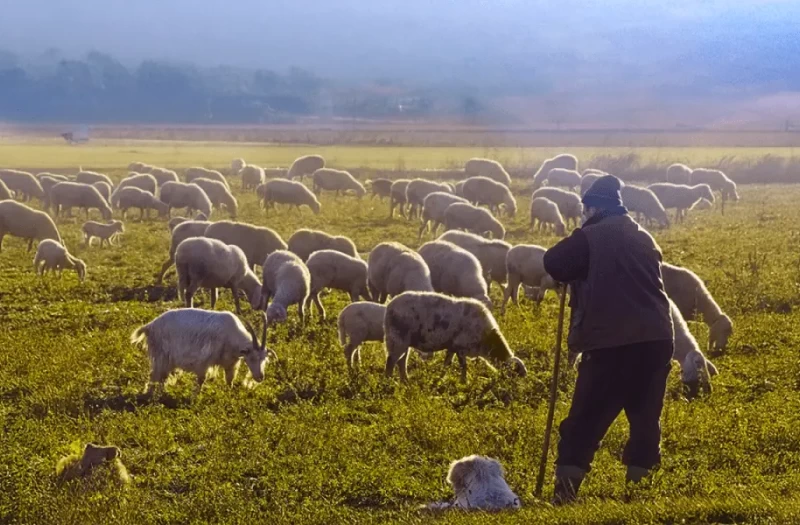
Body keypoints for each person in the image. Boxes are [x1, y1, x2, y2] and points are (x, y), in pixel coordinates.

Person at [542, 175, 674, 505]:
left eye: (585, 209)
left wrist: (581, 234)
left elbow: (554, 262)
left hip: (612, 341)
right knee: (645, 421)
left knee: (584, 420)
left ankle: (564, 495)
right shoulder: (642, 235)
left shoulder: (592, 236)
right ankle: (638, 496)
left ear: (593, 209)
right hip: (656, 340)